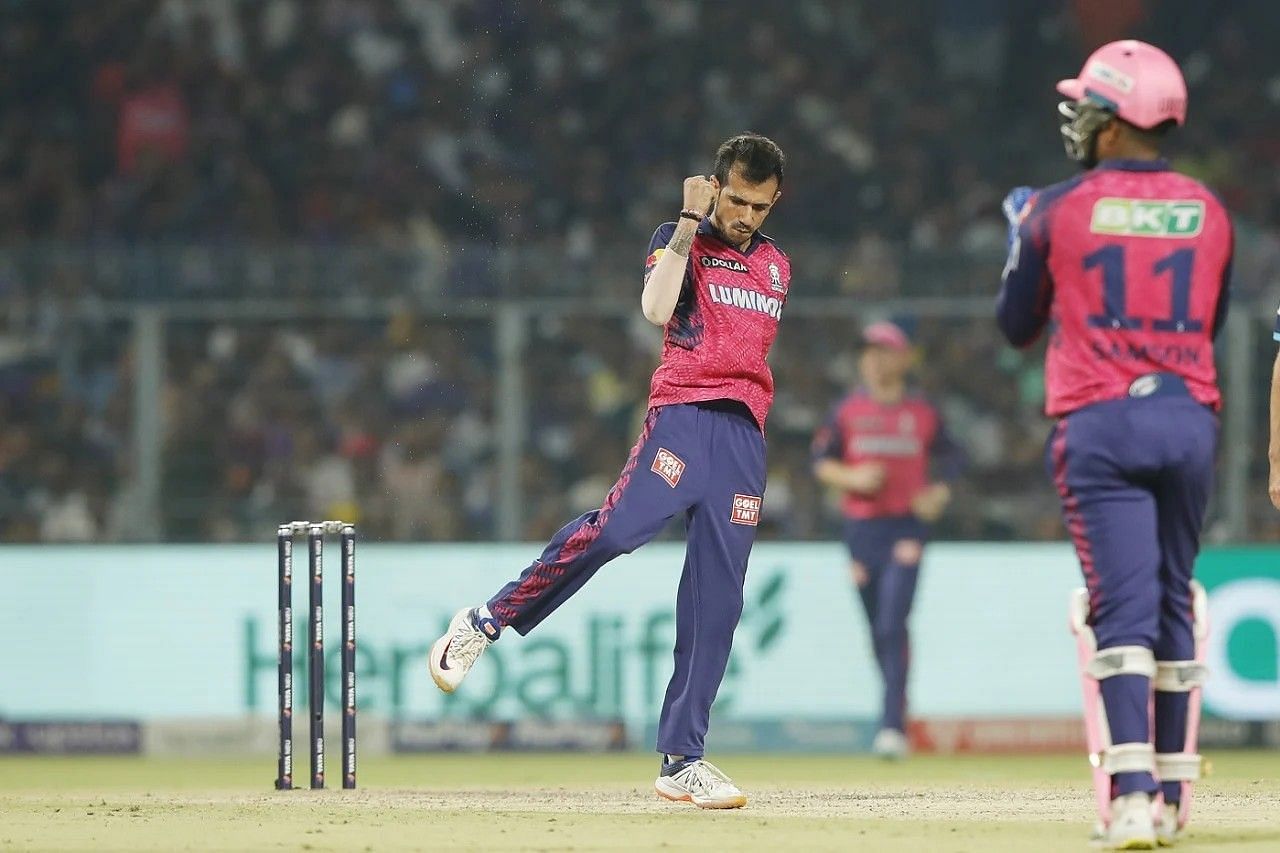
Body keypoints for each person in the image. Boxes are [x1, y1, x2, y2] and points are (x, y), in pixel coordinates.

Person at [428, 133, 789, 809]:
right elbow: (656, 310)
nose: (744, 215)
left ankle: (683, 758)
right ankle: (484, 620)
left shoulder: (776, 266)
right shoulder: (678, 235)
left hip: (744, 436)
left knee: (720, 599)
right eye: (735, 199)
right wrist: (688, 223)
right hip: (683, 414)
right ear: (714, 185)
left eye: (759, 206)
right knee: (620, 530)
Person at [997, 40, 1232, 849]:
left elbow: (1016, 325)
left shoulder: (1056, 208)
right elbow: (1212, 321)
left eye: (1087, 107)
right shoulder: (1209, 209)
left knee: (1121, 609)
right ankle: (1169, 795)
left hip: (1102, 421)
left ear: (1111, 118)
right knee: (1172, 598)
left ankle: (1131, 795)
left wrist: (1017, 241)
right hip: (1189, 418)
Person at [811, 321, 962, 760]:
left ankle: (892, 724)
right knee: (878, 628)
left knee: (894, 622)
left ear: (903, 358)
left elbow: (954, 457)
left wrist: (938, 493)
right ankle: (897, 702)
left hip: (906, 527)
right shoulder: (846, 411)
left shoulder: (922, 412)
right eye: (868, 352)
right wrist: (852, 476)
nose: (874, 360)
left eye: (883, 351)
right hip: (861, 530)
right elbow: (821, 461)